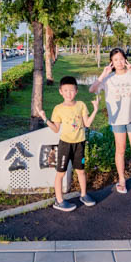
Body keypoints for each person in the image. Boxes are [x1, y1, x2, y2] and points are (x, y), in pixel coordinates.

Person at [90, 48, 131, 194]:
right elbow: (92, 89)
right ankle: (121, 179)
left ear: (125, 60)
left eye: (121, 59)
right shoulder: (108, 78)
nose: (119, 62)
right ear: (111, 62)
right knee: (120, 150)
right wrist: (103, 74)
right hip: (117, 120)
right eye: (115, 60)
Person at [38, 76, 100, 212]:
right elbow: (55, 129)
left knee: (81, 171)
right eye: (65, 90)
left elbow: (87, 124)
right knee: (61, 173)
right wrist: (45, 118)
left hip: (80, 144)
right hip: (65, 145)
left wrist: (95, 109)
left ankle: (83, 195)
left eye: (71, 90)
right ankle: (59, 200)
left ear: (76, 91)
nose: (68, 93)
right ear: (60, 91)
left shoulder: (81, 105)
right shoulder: (58, 109)